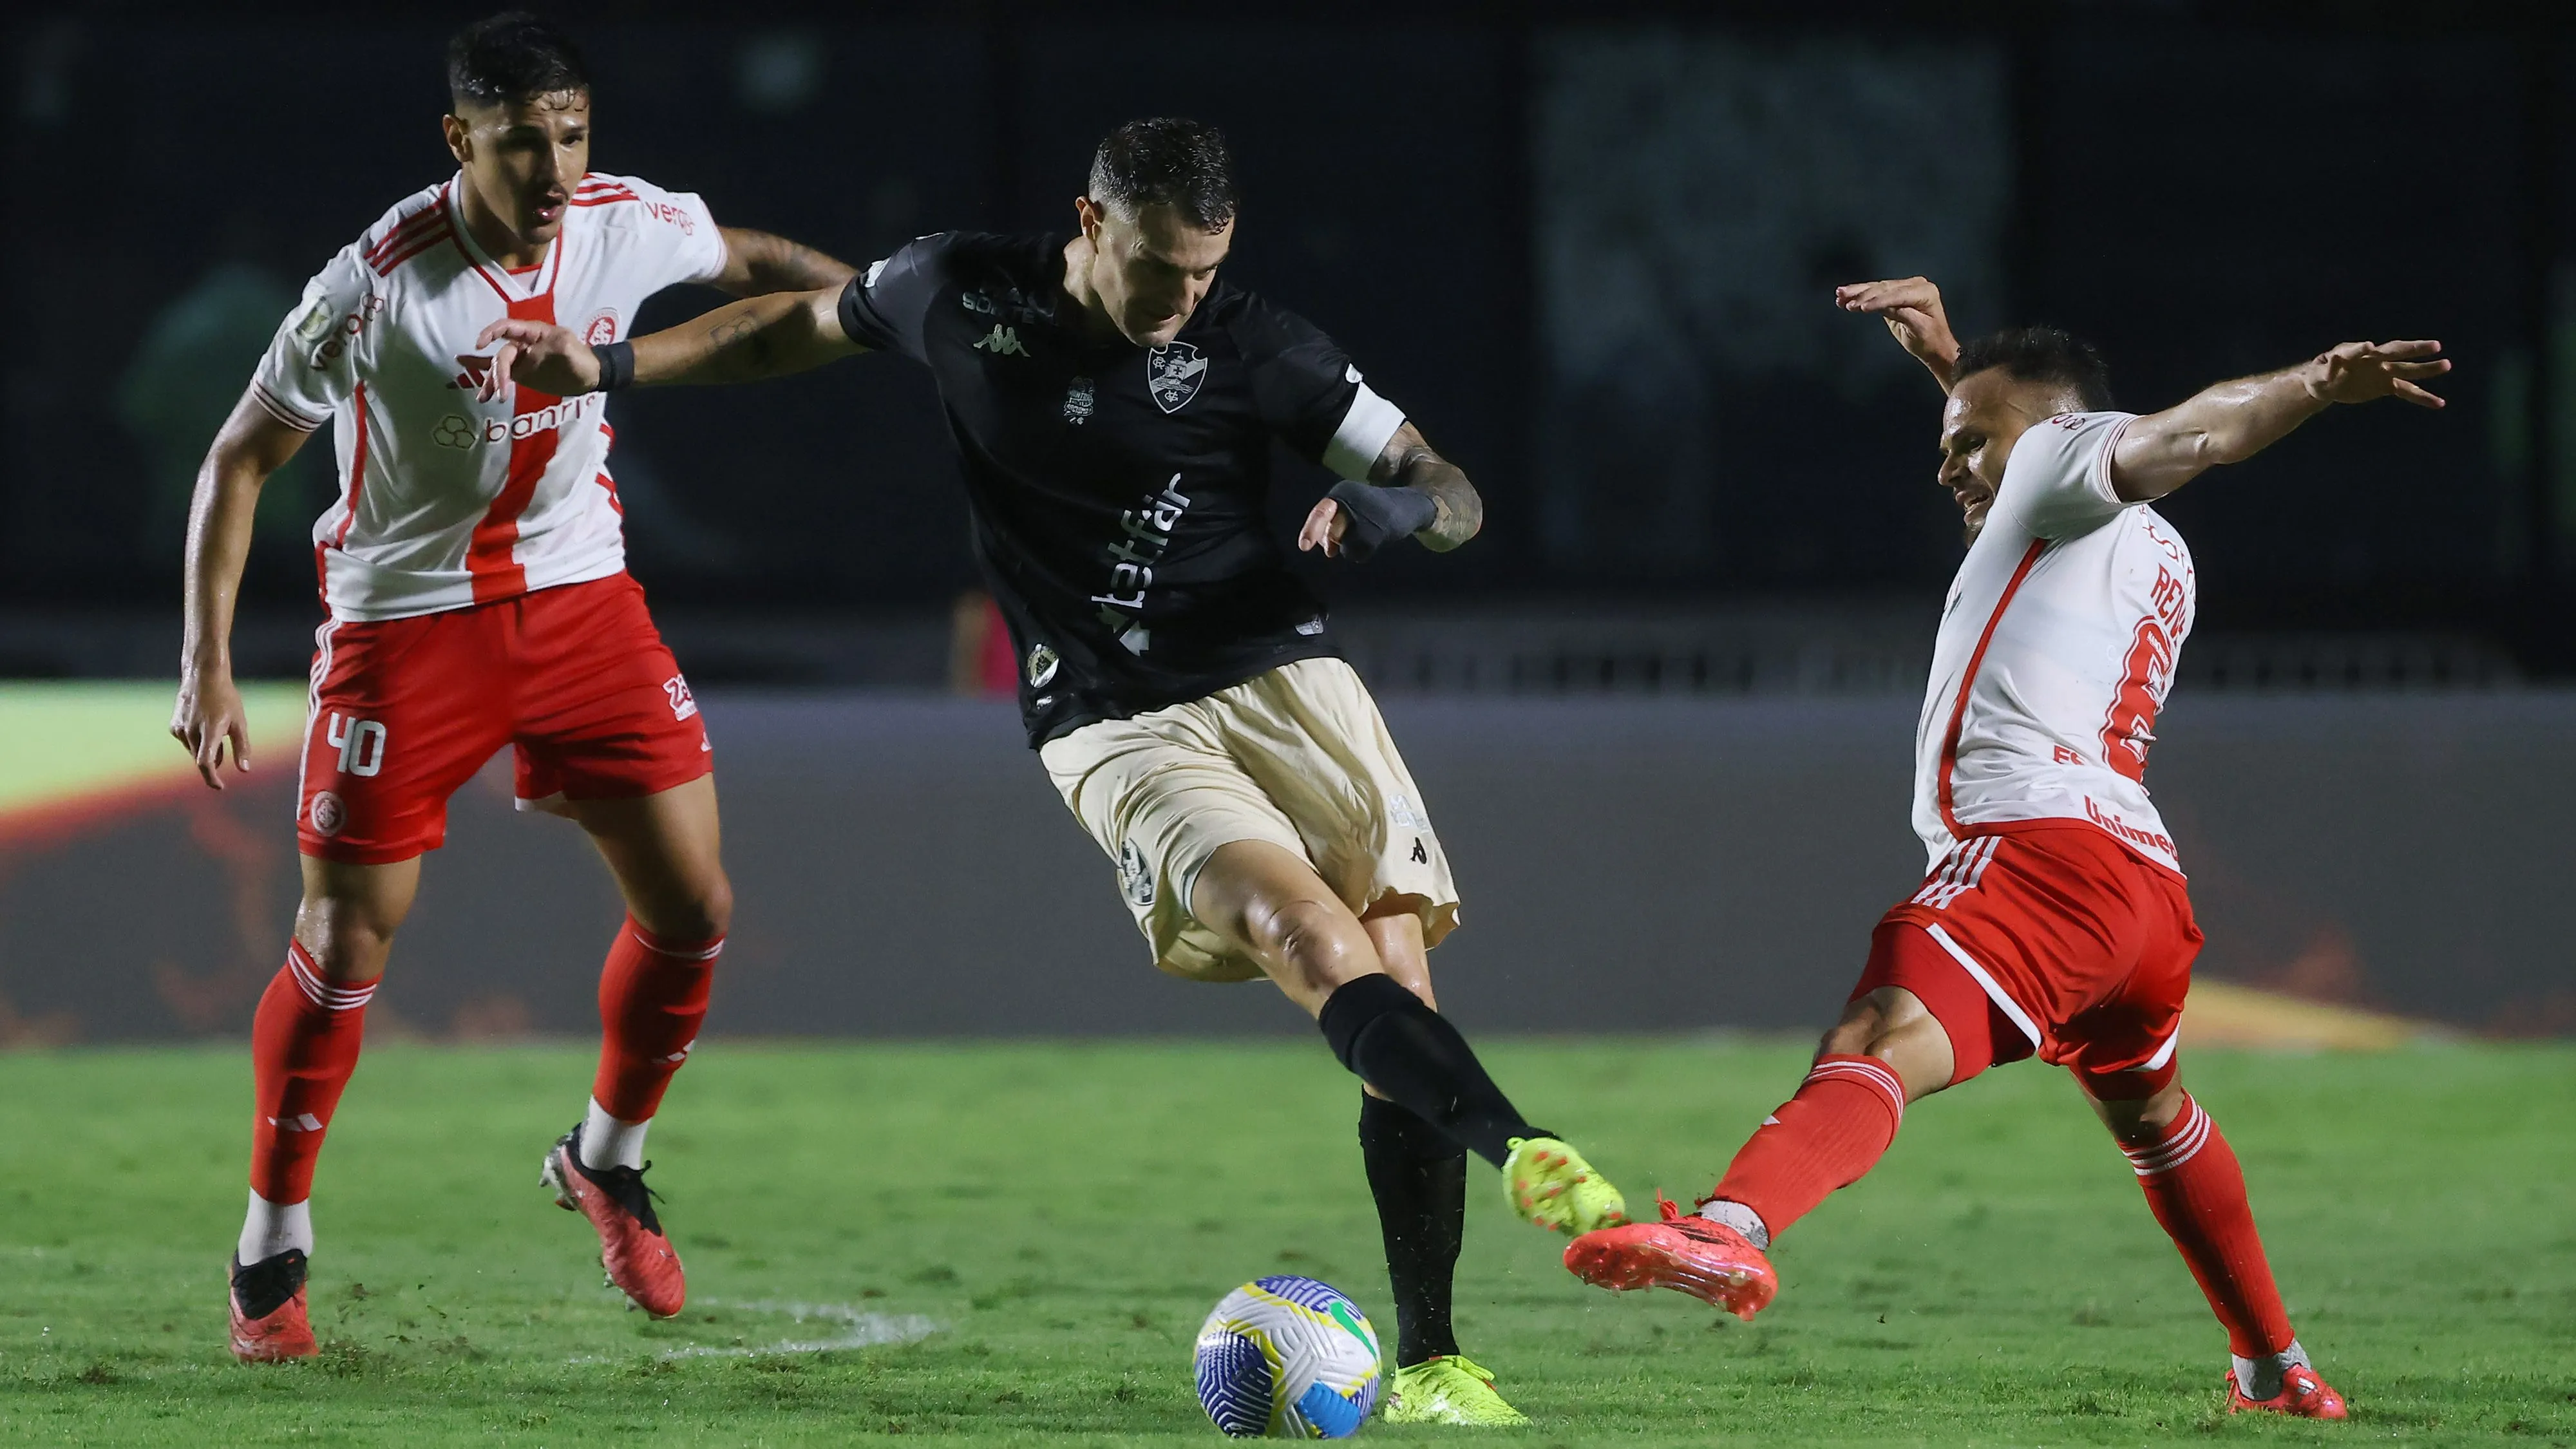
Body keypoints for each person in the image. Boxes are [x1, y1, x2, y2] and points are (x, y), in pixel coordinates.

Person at [479, 117, 1629, 1426]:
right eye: (1161, 268)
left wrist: (1400, 507)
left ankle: (1430, 1365)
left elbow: (1451, 487)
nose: (1182, 298)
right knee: (1300, 935)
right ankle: (1535, 1157)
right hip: (1109, 715)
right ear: (1091, 223)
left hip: (1284, 680)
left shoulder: (1260, 344)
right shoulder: (960, 290)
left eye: (1206, 270)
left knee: (1397, 986)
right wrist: (612, 364)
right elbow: (787, 326)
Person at [1560, 278, 2449, 1419]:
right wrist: (1956, 372)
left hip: (2040, 855)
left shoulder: (2061, 463)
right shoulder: (2147, 541)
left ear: (2050, 430)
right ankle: (2275, 1364)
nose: (1947, 468)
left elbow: (2193, 433)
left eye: (1966, 442)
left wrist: (2316, 383)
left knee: (1881, 1029)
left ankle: (1730, 1225)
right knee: (2158, 1121)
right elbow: (2050, 447)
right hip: (2141, 895)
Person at [168, 12, 855, 1362]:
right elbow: (239, 456)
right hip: (405, 624)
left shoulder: (620, 222)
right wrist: (207, 659)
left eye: (572, 136)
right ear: (459, 138)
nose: (553, 169)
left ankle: (606, 1160)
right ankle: (271, 1240)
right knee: (345, 943)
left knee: (695, 907)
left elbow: (761, 264)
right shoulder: (375, 283)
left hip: (581, 599)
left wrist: (891, 313)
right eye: (522, 142)